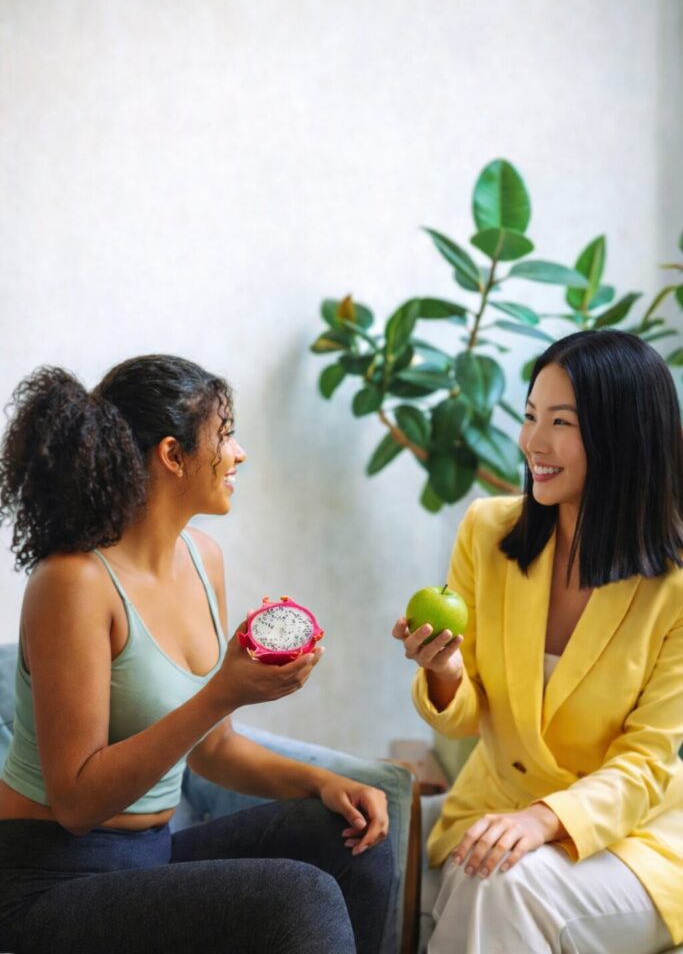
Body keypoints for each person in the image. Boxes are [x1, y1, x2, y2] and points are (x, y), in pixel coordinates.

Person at [0, 354, 393, 954]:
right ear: (173, 456)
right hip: (49, 880)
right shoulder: (74, 582)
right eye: (226, 434)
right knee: (299, 895)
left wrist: (322, 782)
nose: (240, 454)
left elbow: (215, 750)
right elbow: (77, 802)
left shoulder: (203, 558)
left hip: (148, 859)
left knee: (347, 830)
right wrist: (222, 692)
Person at [393, 330, 683, 954]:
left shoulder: (675, 585)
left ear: (622, 437)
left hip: (635, 837)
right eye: (529, 416)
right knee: (491, 878)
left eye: (561, 422)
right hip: (494, 814)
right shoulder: (487, 530)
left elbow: (648, 762)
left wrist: (544, 820)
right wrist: (444, 669)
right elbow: (467, 719)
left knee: (500, 884)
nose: (532, 443)